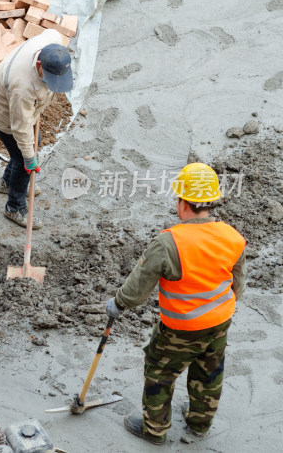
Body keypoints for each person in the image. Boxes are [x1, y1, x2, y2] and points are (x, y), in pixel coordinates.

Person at [104, 163, 246, 445]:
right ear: (210, 202)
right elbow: (237, 287)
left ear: (182, 202)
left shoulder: (169, 242)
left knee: (160, 371)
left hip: (180, 328)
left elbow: (137, 288)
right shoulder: (232, 237)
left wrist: (118, 303)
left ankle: (154, 431)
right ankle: (199, 423)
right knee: (209, 371)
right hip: (219, 324)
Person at [0, 29, 73, 228]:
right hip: (0, 109)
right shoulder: (24, 87)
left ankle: (7, 183)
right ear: (39, 65)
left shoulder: (52, 42)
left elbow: (53, 33)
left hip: (16, 104)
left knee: (32, 143)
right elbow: (20, 129)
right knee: (23, 157)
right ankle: (14, 207)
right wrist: (30, 160)